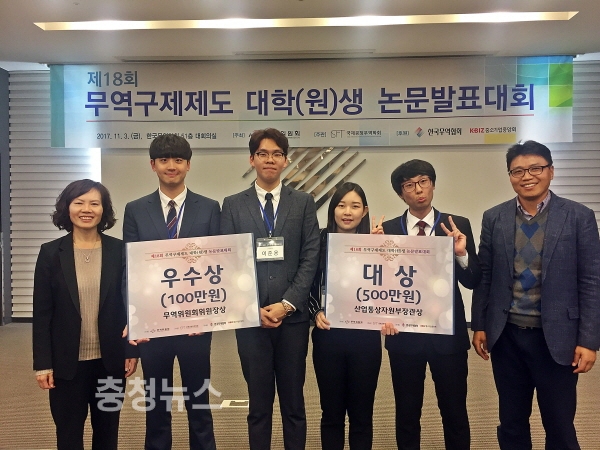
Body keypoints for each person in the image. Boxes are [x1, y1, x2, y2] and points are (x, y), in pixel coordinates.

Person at [471, 140, 600, 450]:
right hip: (507, 336)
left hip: (557, 338)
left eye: (535, 168)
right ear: (510, 175)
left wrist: (589, 340)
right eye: (517, 171)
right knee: (511, 421)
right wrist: (479, 324)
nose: (527, 176)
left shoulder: (579, 216)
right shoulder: (494, 217)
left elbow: (591, 280)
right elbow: (485, 275)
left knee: (559, 423)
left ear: (551, 171)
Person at [220, 128, 320, 450]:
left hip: (293, 322)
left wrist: (288, 303)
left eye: (277, 154)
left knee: (294, 404)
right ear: (252, 159)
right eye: (262, 154)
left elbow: (311, 256)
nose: (270, 159)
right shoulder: (232, 205)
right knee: (258, 406)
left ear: (286, 160)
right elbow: (229, 261)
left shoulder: (303, 202)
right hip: (252, 322)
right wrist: (252, 307)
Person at [123, 134, 220, 450]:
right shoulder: (136, 210)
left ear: (188, 165)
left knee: (199, 402)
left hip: (195, 323)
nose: (171, 166)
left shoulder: (209, 208)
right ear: (153, 165)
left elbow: (218, 266)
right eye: (164, 160)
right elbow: (130, 269)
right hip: (153, 325)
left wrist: (208, 316)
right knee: (156, 403)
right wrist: (134, 318)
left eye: (178, 160)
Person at [379, 160, 481, 450]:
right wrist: (376, 252)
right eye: (409, 185)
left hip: (447, 336)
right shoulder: (388, 230)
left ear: (433, 184)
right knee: (407, 413)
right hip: (404, 336)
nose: (418, 190)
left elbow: (473, 280)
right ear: (401, 193)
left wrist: (460, 254)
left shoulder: (456, 225)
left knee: (454, 411)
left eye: (423, 181)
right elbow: (380, 285)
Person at [33, 179, 138, 450]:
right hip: (66, 365)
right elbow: (42, 314)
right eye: (79, 202)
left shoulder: (120, 251)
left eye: (94, 203)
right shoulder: (50, 253)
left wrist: (130, 349)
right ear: (67, 208)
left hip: (110, 361)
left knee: (107, 433)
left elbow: (131, 303)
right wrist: (43, 364)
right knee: (68, 435)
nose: (86, 209)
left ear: (104, 210)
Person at [308, 182, 384, 450]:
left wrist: (381, 252)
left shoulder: (377, 242)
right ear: (333, 209)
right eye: (341, 205)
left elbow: (389, 290)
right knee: (331, 413)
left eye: (354, 206)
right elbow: (307, 281)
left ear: (365, 211)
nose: (347, 212)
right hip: (328, 335)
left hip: (365, 339)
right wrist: (315, 311)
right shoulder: (318, 241)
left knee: (362, 415)